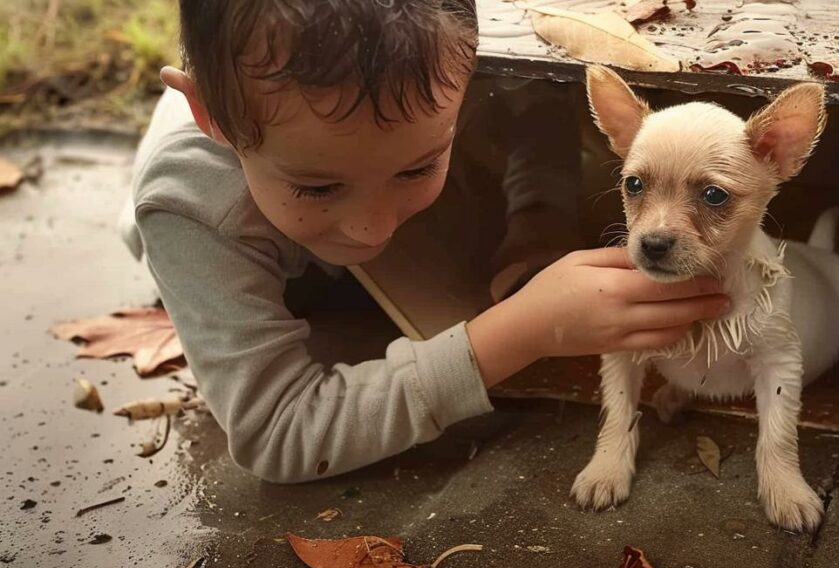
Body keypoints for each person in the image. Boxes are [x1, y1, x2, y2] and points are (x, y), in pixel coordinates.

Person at [117, 0, 728, 483]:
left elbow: (531, 111)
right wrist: (525, 329)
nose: (371, 228)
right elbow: (278, 431)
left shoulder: (441, 64)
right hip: (253, 257)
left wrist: (536, 223)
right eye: (316, 187)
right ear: (212, 118)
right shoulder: (190, 207)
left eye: (414, 168)